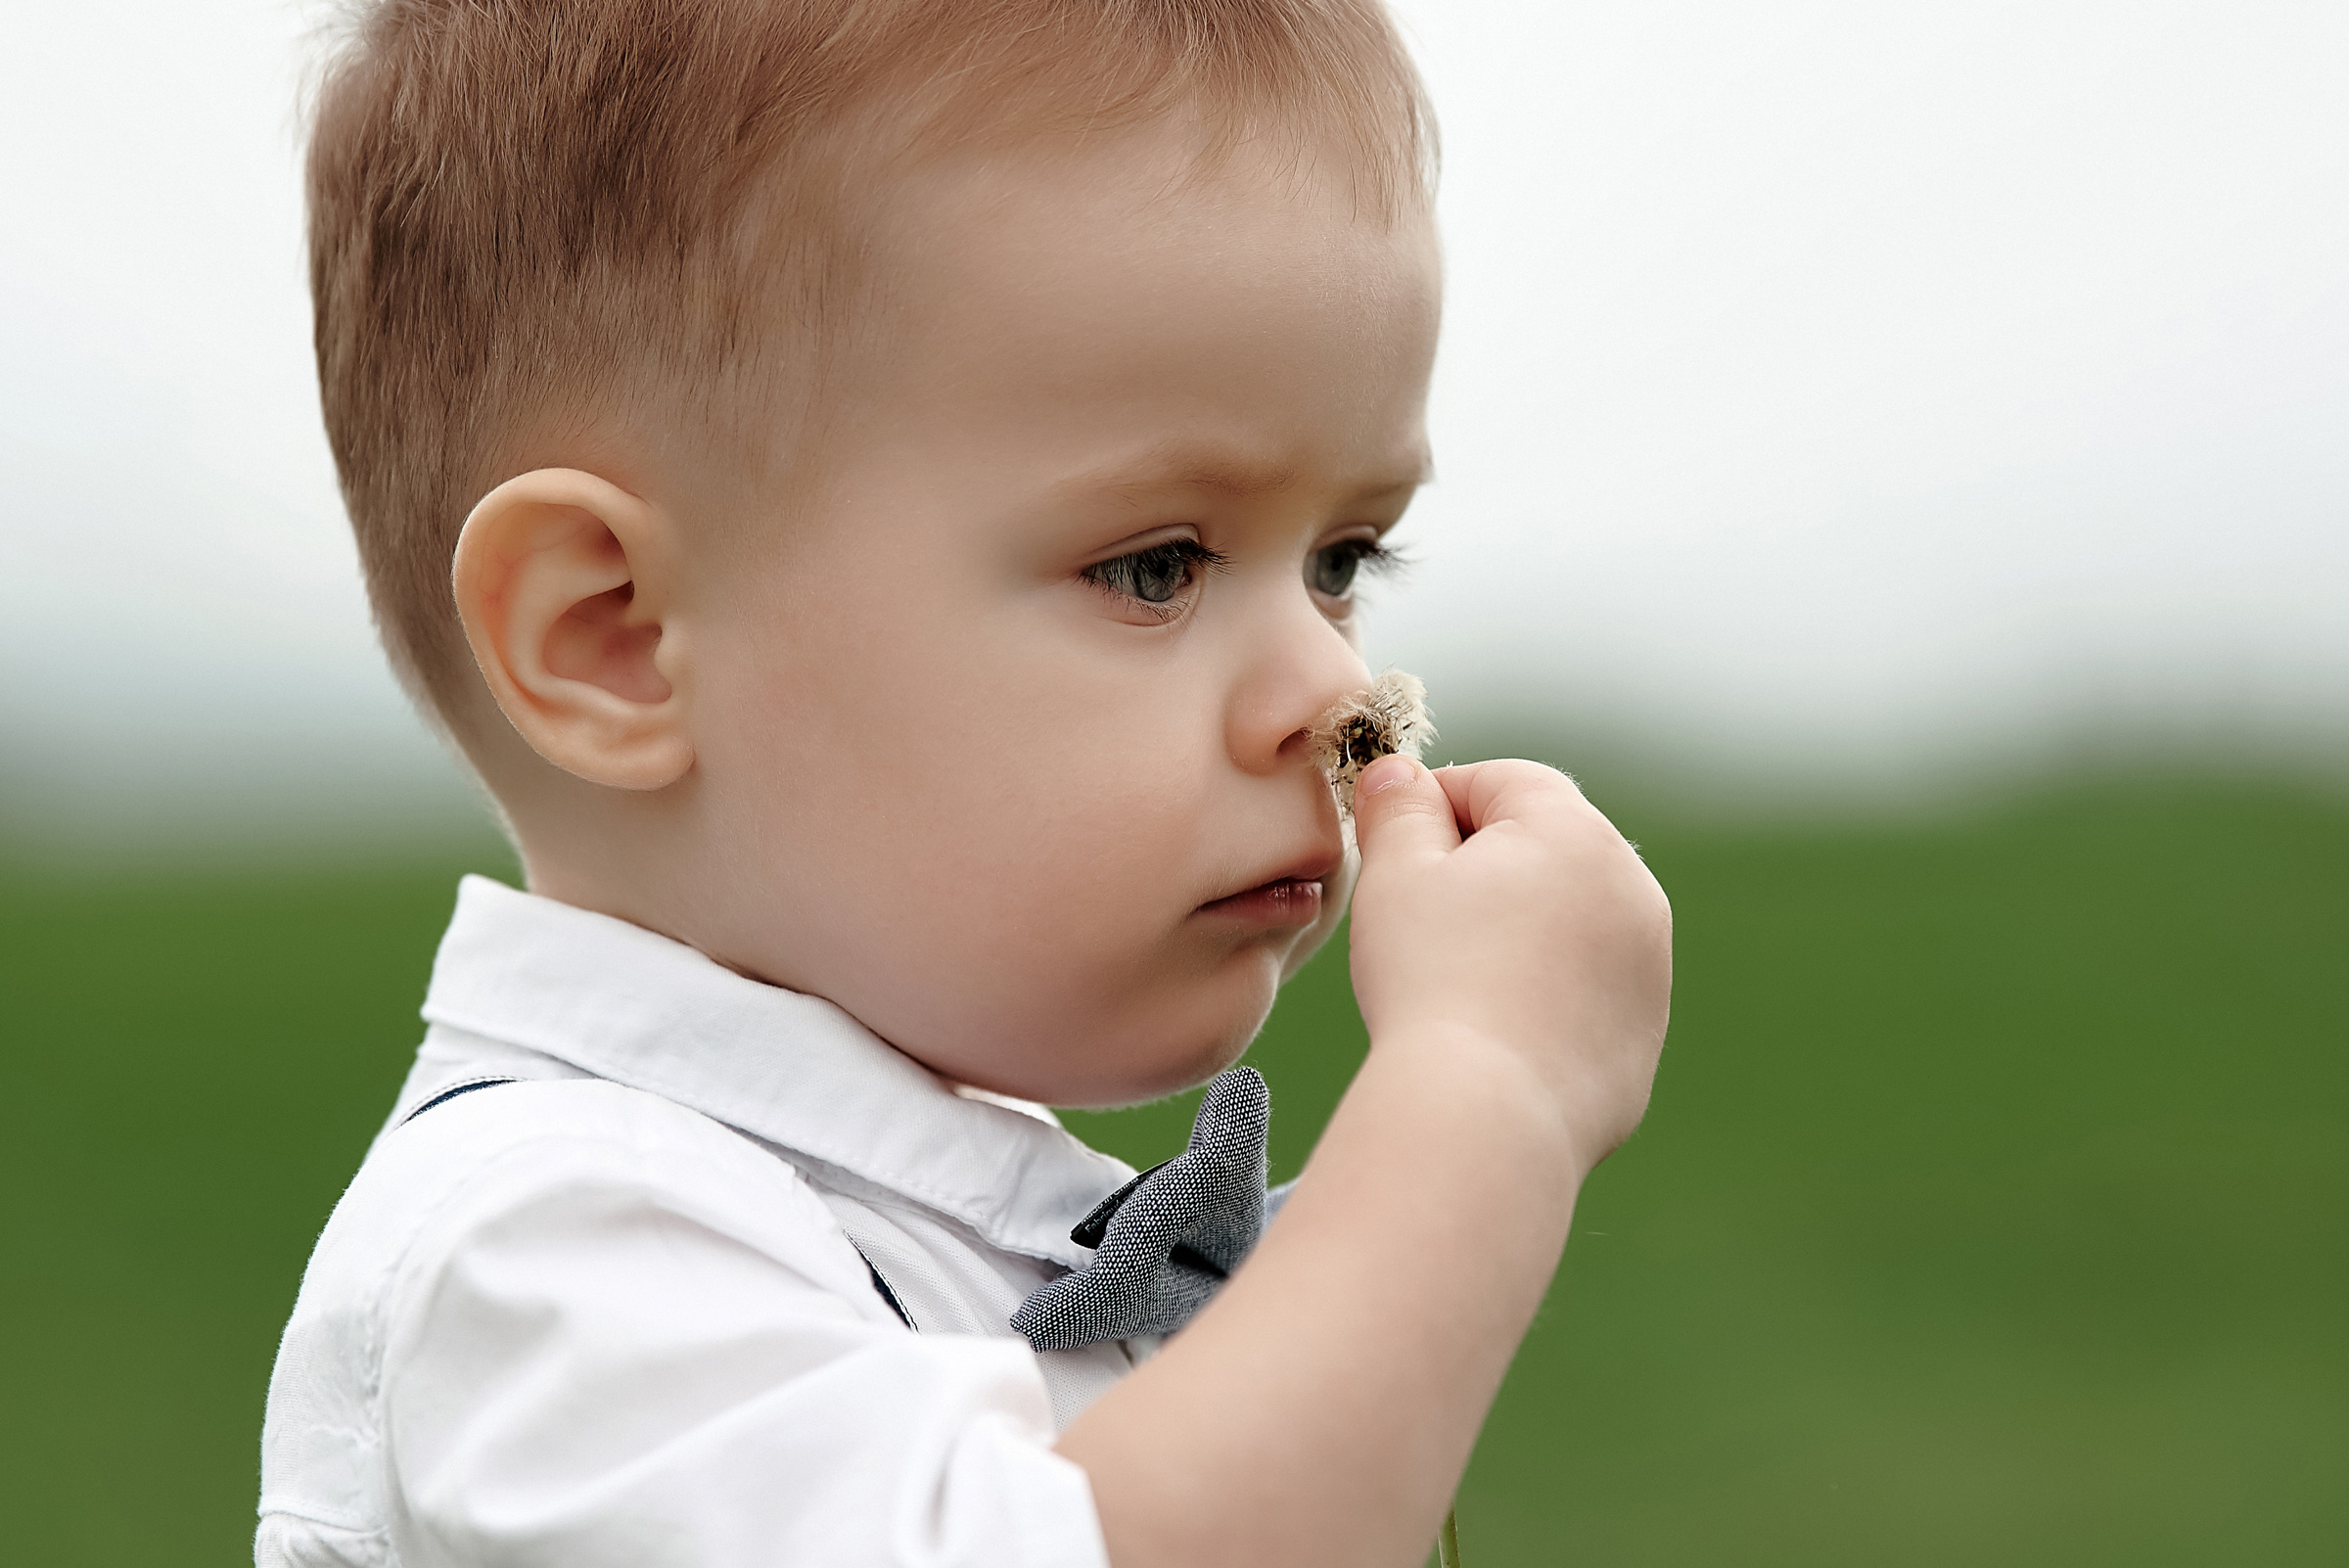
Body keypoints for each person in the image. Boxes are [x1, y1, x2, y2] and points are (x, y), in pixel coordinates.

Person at [258, 2, 1674, 1564]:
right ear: (620, 640)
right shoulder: (559, 1258)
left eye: (1342, 559)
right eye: (1155, 563)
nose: (1335, 691)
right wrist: (1485, 1096)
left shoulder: (869, 1212)